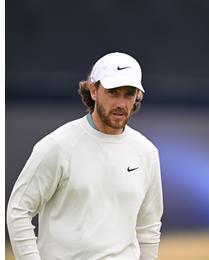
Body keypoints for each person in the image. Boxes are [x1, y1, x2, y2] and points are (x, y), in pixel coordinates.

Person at [7, 52, 163, 260]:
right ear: (93, 90)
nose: (121, 103)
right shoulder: (57, 146)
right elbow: (18, 211)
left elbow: (148, 228)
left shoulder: (147, 152)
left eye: (129, 94)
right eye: (113, 92)